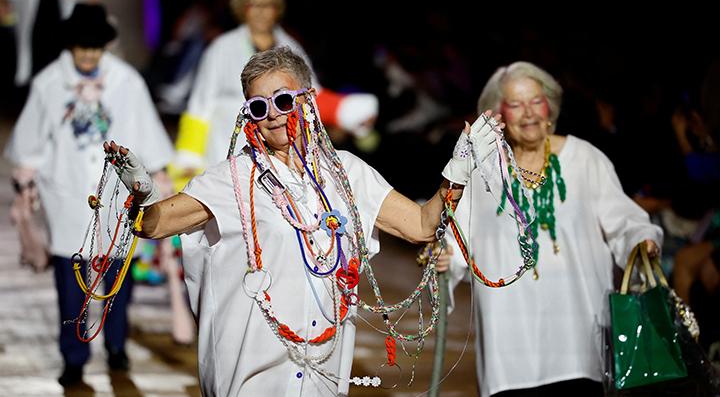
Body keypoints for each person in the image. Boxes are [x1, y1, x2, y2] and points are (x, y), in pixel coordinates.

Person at [103, 46, 501, 396]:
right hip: (249, 375)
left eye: (283, 100)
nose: (272, 116)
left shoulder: (348, 173)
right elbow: (154, 224)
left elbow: (421, 226)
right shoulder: (231, 179)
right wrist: (141, 193)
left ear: (308, 100)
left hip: (322, 374)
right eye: (258, 107)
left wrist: (458, 170)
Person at [444, 61, 662, 397]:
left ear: (550, 107)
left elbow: (624, 219)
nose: (528, 113)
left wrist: (640, 239)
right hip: (509, 336)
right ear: (499, 114)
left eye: (535, 101)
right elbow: (458, 232)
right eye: (515, 104)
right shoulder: (483, 168)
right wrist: (446, 258)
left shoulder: (585, 158)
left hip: (579, 333)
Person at [3, 3, 174, 386]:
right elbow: (31, 139)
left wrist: (159, 173)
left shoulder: (127, 81)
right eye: (82, 46)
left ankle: (116, 347)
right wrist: (28, 170)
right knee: (71, 283)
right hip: (67, 194)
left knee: (118, 277)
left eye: (95, 47)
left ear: (104, 47)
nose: (88, 54)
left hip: (115, 194)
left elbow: (145, 130)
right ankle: (74, 357)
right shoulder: (49, 83)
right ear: (71, 45)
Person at [170, 0, 379, 192]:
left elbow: (310, 95)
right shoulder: (221, 48)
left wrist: (347, 111)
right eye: (254, 5)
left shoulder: (291, 47)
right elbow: (199, 108)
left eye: (267, 5)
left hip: (282, 147)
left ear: (276, 10)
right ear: (243, 9)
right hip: (226, 144)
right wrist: (189, 157)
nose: (261, 12)